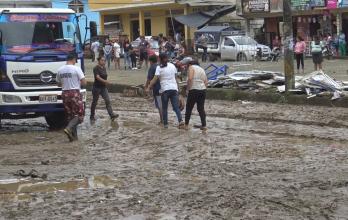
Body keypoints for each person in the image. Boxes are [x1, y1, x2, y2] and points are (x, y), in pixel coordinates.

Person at [146, 53, 184, 129]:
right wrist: (179, 90)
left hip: (165, 90)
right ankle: (180, 121)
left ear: (159, 59)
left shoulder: (159, 68)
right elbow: (176, 79)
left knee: (164, 108)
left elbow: (154, 79)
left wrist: (148, 87)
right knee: (176, 107)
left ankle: (166, 125)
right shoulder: (172, 66)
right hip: (174, 89)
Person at [56, 52, 86, 142]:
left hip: (64, 94)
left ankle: (73, 138)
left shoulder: (60, 70)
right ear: (73, 59)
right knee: (80, 116)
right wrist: (77, 82)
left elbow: (58, 83)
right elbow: (84, 82)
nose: (75, 61)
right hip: (75, 93)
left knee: (71, 117)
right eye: (75, 60)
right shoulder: (76, 69)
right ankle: (68, 128)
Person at [181, 58, 208, 131]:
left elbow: (190, 78)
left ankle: (186, 125)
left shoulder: (191, 67)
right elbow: (206, 81)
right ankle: (204, 125)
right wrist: (203, 89)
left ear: (190, 64)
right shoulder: (202, 69)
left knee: (189, 108)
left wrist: (188, 89)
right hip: (202, 90)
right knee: (201, 109)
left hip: (194, 89)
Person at [90, 56, 119, 121]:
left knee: (107, 100)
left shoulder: (104, 68)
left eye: (104, 60)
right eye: (102, 60)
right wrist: (105, 81)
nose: (103, 62)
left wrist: (105, 83)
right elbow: (97, 77)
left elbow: (105, 76)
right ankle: (92, 116)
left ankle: (111, 115)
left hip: (103, 88)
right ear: (99, 61)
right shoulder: (96, 68)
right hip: (96, 88)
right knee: (95, 102)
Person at [145, 55, 162, 123]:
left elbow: (149, 79)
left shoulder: (152, 68)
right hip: (164, 87)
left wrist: (146, 86)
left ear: (150, 61)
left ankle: (162, 120)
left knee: (159, 105)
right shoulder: (160, 66)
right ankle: (164, 119)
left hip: (157, 88)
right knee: (163, 104)